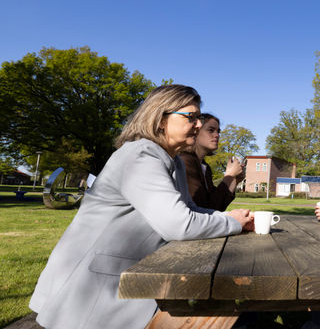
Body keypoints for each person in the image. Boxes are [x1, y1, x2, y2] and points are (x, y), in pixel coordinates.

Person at [29, 85, 254, 329]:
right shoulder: (140, 155)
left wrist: (229, 216)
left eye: (199, 118)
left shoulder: (173, 161)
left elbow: (189, 209)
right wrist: (233, 223)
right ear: (160, 120)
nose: (198, 124)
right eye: (191, 117)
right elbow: (179, 224)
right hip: (90, 289)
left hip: (125, 280)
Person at [179, 113, 244, 210]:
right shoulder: (185, 161)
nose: (217, 135)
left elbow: (216, 206)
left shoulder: (205, 167)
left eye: (218, 131)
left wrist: (234, 180)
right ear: (195, 131)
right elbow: (201, 207)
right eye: (211, 130)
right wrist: (229, 176)